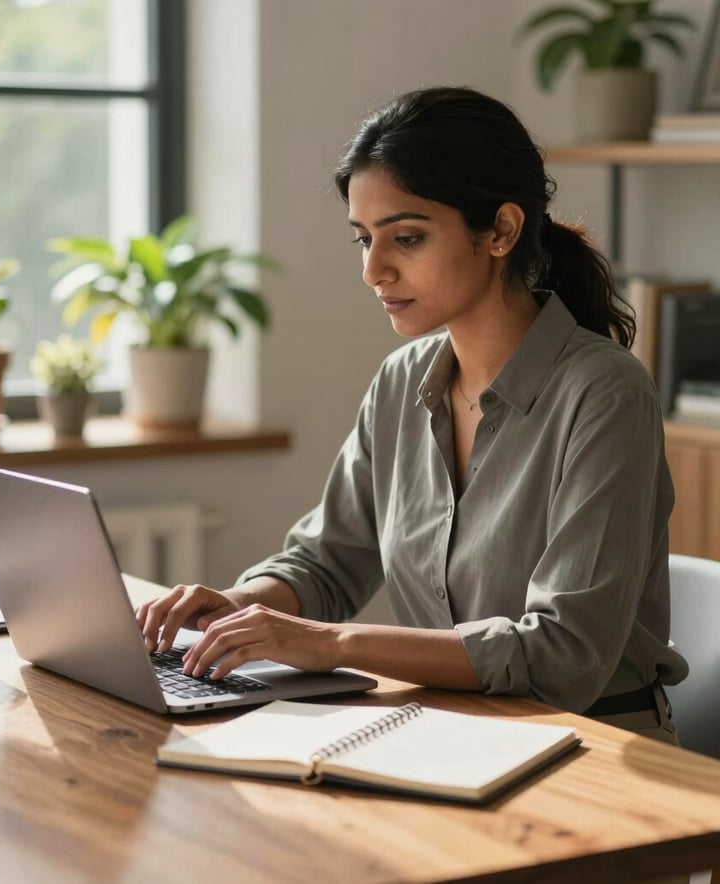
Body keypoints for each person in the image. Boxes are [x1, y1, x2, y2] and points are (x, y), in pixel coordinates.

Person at [136, 85, 688, 743]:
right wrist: (238, 607)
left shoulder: (605, 393)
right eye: (363, 239)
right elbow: (326, 564)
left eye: (407, 237)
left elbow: (564, 654)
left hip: (592, 747)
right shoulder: (403, 381)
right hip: (448, 732)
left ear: (502, 231)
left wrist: (332, 643)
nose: (374, 269)